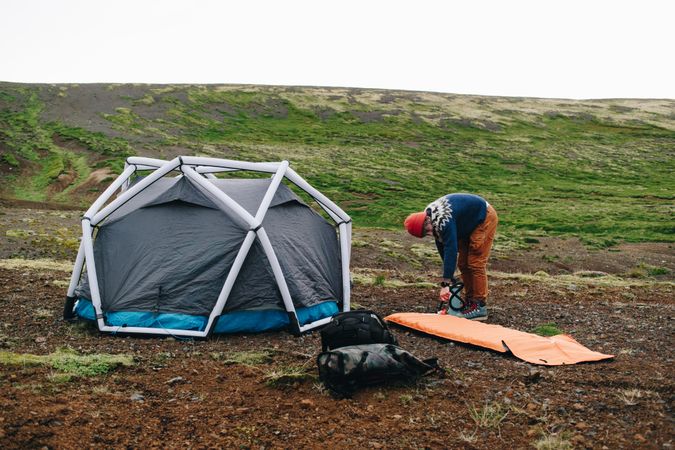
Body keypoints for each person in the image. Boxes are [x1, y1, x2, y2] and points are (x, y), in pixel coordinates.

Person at [404, 193, 498, 321]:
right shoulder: (431, 219)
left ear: (427, 220)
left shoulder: (443, 220)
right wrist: (451, 278)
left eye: (428, 230)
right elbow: (442, 247)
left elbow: (451, 249)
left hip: (483, 217)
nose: (430, 234)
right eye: (426, 234)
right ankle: (470, 301)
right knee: (463, 264)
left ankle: (480, 306)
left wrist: (446, 283)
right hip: (467, 224)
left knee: (475, 262)